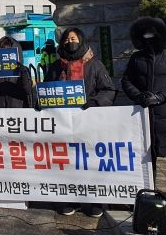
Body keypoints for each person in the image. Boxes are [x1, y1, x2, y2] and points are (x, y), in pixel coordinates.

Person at [44, 28, 116, 217]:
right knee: (66, 162)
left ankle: (94, 201)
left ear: (81, 40)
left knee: (90, 162)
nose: (70, 42)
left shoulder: (94, 65)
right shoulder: (55, 66)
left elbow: (108, 90)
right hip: (62, 123)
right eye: (67, 39)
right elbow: (46, 89)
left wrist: (94, 102)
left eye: (74, 38)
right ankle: (69, 199)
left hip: (89, 123)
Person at [121, 17, 166, 212]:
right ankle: (148, 194)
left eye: (153, 33)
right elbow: (127, 81)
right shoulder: (136, 58)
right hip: (144, 116)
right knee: (147, 157)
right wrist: (139, 96)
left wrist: (159, 97)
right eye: (145, 34)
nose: (149, 38)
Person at [0, 36, 33, 108]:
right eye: (1, 50)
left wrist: (23, 73)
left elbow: (27, 90)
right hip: (0, 111)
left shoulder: (23, 69)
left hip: (19, 111)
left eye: (8, 51)